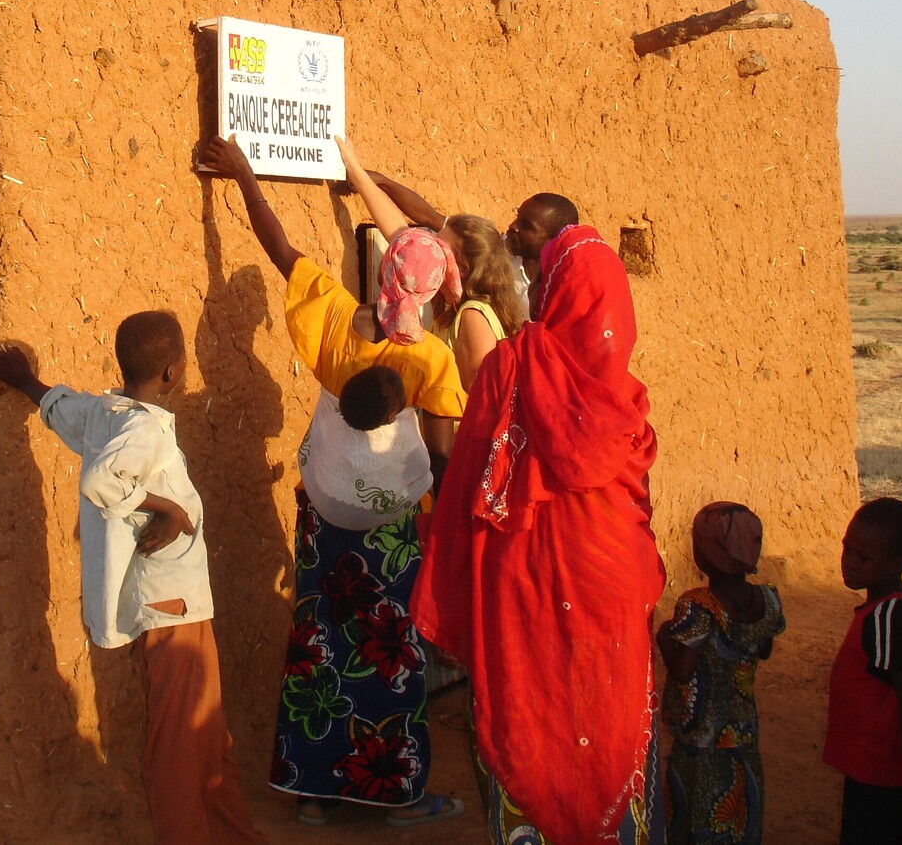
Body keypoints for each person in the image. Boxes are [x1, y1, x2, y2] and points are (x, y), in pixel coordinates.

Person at [201, 135, 467, 829]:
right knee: (389, 658)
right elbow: (439, 461)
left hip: (324, 516)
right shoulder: (434, 360)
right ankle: (394, 793)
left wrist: (241, 173)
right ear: (432, 293)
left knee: (317, 642)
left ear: (382, 276)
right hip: (391, 539)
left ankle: (312, 790)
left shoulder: (330, 317)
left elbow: (278, 244)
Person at [412, 199, 665, 843]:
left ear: (555, 290)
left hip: (525, 608)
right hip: (612, 608)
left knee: (535, 717)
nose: (515, 236)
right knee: (610, 727)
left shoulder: (513, 371)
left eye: (526, 228)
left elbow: (468, 483)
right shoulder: (626, 412)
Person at [0, 312, 267, 845]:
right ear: (174, 371)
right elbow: (100, 479)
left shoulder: (110, 414)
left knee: (208, 739)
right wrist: (169, 510)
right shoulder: (143, 428)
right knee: (180, 746)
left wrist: (26, 381)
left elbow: (62, 409)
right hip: (171, 606)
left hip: (180, 606)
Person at [334, 136, 525, 386]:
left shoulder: (473, 316)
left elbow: (477, 397)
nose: (425, 250)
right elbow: (399, 232)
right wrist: (356, 171)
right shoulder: (453, 304)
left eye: (437, 247)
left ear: (463, 269)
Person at [657, 502, 785, 845]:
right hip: (743, 732)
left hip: (702, 738)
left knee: (697, 817)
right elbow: (765, 648)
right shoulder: (768, 600)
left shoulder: (698, 605)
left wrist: (664, 638)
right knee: (739, 814)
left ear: (706, 554)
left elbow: (683, 670)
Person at [824, 497, 902, 845]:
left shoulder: (887, 617)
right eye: (847, 549)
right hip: (873, 761)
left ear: (896, 563)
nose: (849, 563)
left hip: (877, 762)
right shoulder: (884, 608)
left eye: (863, 557)